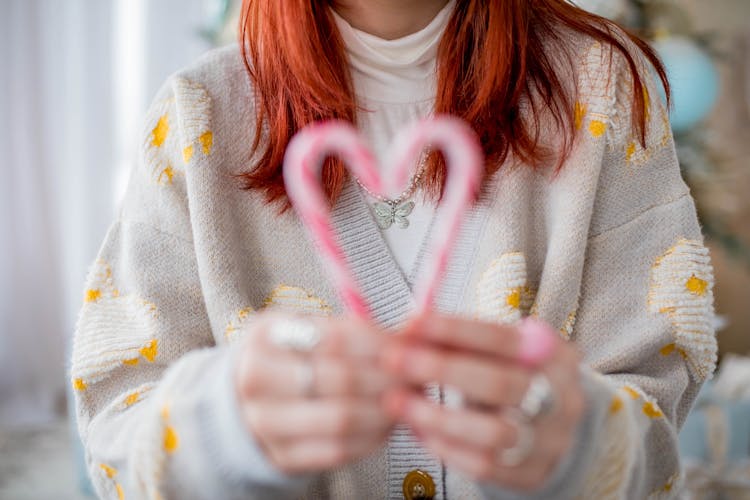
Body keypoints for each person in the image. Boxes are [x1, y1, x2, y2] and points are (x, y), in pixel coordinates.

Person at [70, 0, 717, 498]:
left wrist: (583, 445)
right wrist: (221, 430)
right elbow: (116, 436)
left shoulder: (602, 93)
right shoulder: (197, 118)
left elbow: (653, 430)